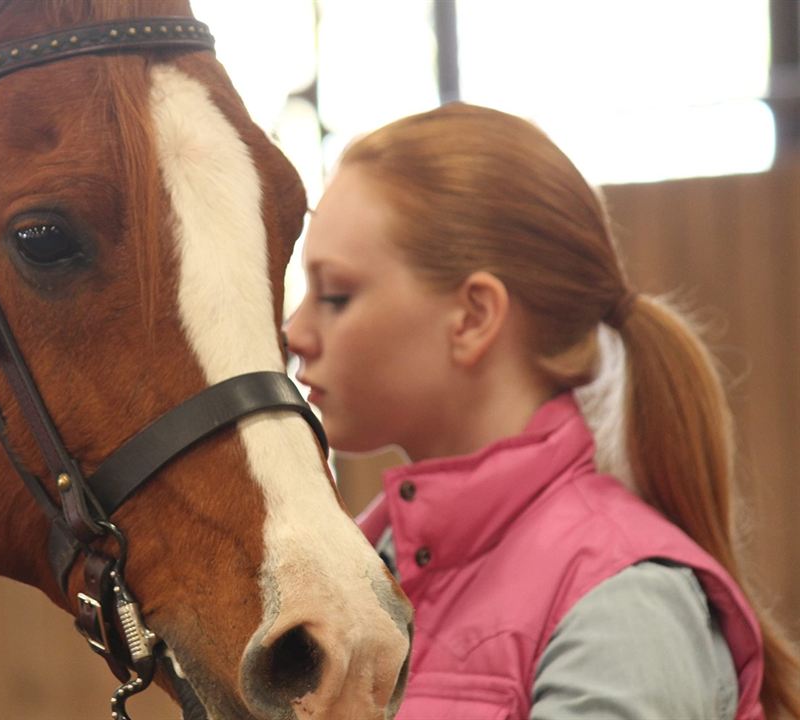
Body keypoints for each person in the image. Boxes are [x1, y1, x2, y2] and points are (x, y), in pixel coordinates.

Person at [284, 102, 800, 719]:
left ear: (474, 317)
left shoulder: (624, 605)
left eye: (336, 295)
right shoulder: (371, 566)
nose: (295, 331)